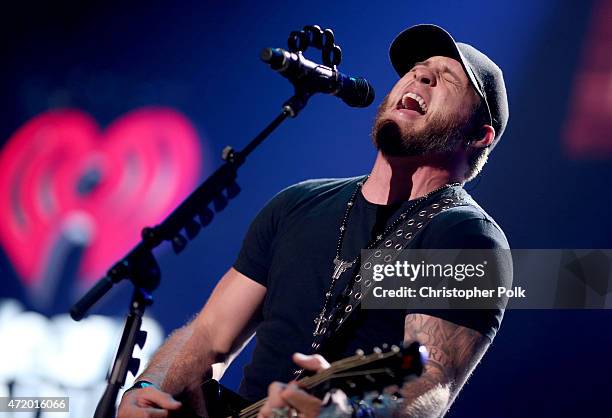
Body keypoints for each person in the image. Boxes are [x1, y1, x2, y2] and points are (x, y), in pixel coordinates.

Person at [117, 23, 510, 418]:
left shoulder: (466, 237)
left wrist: (354, 414)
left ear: (480, 135)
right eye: (417, 69)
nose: (420, 75)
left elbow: (431, 383)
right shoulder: (298, 204)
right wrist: (150, 388)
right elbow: (208, 335)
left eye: (447, 80)